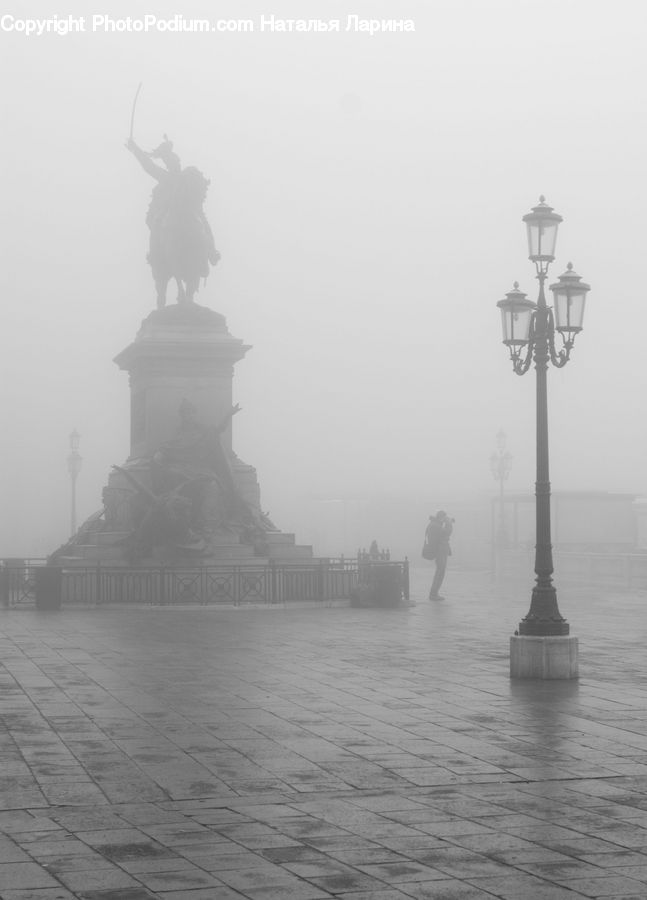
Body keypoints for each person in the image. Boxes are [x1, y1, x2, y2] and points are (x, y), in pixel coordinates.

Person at [425, 510, 453, 600]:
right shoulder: (435, 526)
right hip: (439, 551)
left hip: (440, 551)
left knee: (440, 571)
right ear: (441, 517)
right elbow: (447, 532)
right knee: (440, 572)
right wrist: (448, 523)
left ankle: (434, 593)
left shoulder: (435, 525)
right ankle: (433, 594)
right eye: (444, 518)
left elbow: (442, 535)